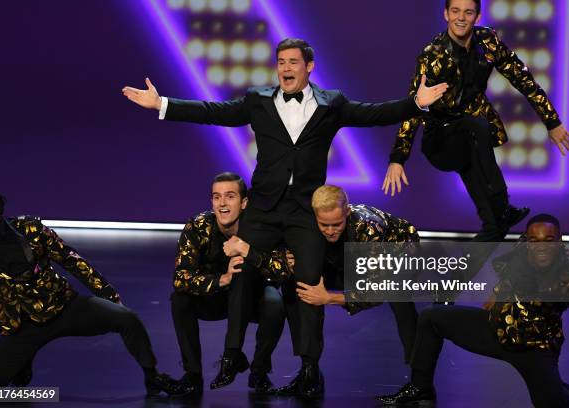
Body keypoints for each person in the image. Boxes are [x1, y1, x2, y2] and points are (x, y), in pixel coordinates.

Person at [123, 37, 447, 398]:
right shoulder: (257, 101)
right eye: (281, 62)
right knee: (241, 263)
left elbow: (373, 114)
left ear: (309, 66)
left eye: (293, 62)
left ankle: (309, 366)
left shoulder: (332, 103)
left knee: (307, 283)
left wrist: (416, 103)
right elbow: (213, 111)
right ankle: (233, 354)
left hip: (303, 210)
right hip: (263, 206)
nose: (286, 68)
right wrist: (162, 104)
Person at [382, 0, 569, 241]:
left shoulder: (488, 41)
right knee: (477, 124)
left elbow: (522, 79)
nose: (461, 18)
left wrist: (552, 122)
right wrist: (398, 158)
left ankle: (459, 275)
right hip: (442, 141)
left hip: (474, 144)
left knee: (495, 227)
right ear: (445, 14)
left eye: (468, 12)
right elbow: (415, 106)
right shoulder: (433, 56)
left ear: (477, 16)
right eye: (455, 11)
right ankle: (502, 203)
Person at [0, 187, 187, 398]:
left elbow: (73, 261)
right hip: (24, 326)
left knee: (128, 318)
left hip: (64, 306)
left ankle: (152, 377)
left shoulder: (29, 230)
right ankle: (29, 376)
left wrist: (110, 297)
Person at [378, 214, 569, 407]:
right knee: (431, 317)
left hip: (533, 349)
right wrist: (498, 293)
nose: (541, 247)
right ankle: (420, 387)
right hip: (496, 329)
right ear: (527, 241)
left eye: (549, 241)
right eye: (534, 240)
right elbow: (510, 272)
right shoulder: (522, 251)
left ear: (559, 241)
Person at [170, 172, 290, 395]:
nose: (222, 203)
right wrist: (220, 280)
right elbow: (180, 277)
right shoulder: (198, 226)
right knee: (180, 299)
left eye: (230, 196)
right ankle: (193, 375)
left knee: (274, 302)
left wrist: (249, 252)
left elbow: (282, 269)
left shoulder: (261, 228)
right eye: (216, 197)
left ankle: (258, 371)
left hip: (252, 297)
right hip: (216, 296)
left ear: (244, 203)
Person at [286, 184, 419, 373]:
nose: (330, 230)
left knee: (398, 296)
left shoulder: (369, 227)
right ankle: (309, 367)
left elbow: (376, 293)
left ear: (347, 212)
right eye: (324, 225)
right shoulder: (307, 224)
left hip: (398, 250)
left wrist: (329, 298)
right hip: (347, 254)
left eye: (336, 224)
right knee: (307, 279)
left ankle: (419, 374)